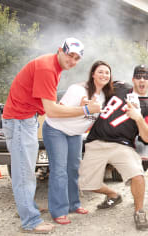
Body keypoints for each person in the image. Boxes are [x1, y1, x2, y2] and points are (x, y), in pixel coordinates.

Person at [2, 38, 102, 234]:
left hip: (25, 119)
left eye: (76, 58)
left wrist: (81, 107)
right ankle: (30, 221)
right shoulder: (48, 69)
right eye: (69, 55)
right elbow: (52, 111)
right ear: (60, 50)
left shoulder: (53, 67)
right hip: (19, 121)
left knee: (27, 171)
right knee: (24, 173)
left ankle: (27, 208)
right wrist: (85, 109)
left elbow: (49, 105)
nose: (72, 61)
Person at [78, 65, 148, 231]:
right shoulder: (119, 86)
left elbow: (147, 138)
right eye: (138, 76)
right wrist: (84, 97)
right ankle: (113, 194)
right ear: (133, 79)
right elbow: (96, 84)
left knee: (137, 175)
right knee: (86, 184)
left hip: (122, 146)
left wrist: (139, 118)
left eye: (145, 77)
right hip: (96, 141)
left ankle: (139, 211)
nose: (142, 80)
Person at [42, 60, 114, 225]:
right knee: (59, 170)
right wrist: (84, 109)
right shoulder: (77, 90)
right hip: (56, 129)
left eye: (107, 73)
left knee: (74, 169)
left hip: (74, 134)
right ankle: (58, 211)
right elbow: (55, 112)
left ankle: (73, 205)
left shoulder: (105, 96)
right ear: (93, 74)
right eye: (100, 71)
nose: (104, 75)